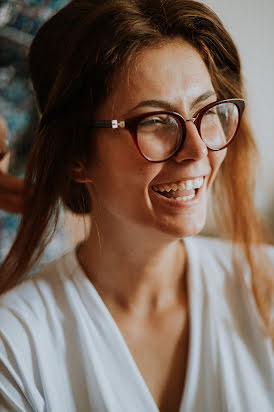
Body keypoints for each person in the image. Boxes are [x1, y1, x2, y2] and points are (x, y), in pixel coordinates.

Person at [0, 0, 273, 411]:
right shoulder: (16, 346)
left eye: (207, 111)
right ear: (76, 157)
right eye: (156, 121)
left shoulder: (267, 286)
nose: (198, 151)